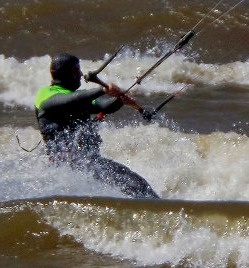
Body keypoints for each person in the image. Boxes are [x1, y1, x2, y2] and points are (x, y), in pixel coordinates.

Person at [34, 53, 158, 198]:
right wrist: (102, 90)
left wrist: (119, 99)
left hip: (91, 162)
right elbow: (68, 101)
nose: (80, 74)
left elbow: (104, 106)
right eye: (76, 71)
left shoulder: (81, 96)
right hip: (66, 167)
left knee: (140, 186)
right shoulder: (45, 94)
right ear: (65, 74)